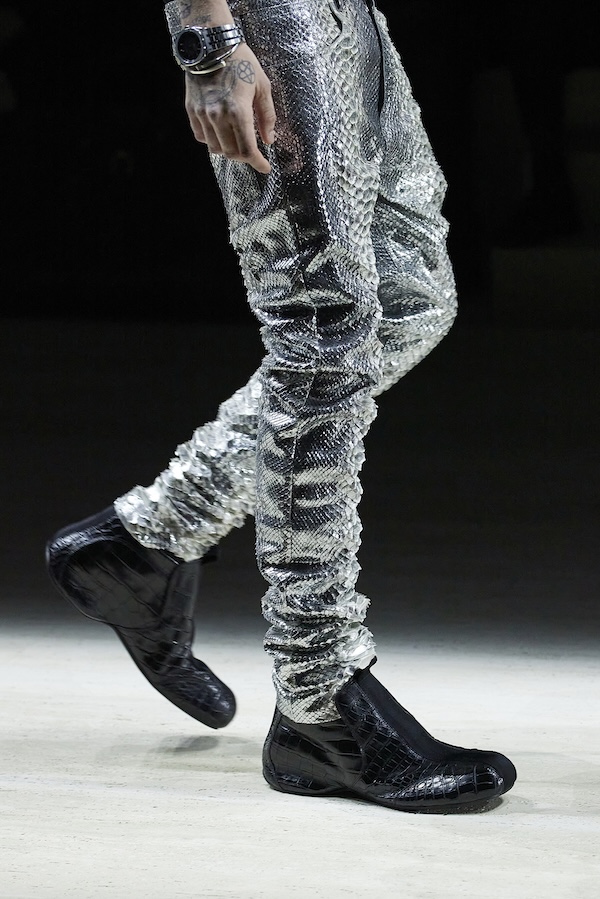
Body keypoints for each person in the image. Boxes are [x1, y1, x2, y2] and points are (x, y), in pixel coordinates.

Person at [46, 0, 517, 813]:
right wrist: (207, 45)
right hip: (268, 17)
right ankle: (317, 695)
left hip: (351, 15)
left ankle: (146, 540)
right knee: (323, 326)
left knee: (410, 303)